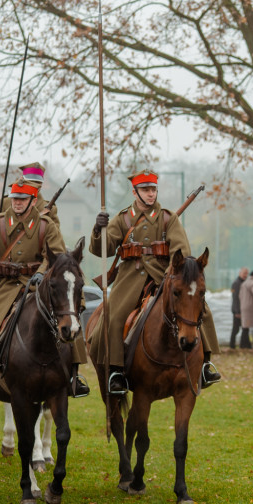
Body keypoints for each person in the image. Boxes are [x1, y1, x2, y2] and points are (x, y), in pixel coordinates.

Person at [88, 169, 221, 395]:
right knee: (114, 316)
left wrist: (172, 277)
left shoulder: (168, 218)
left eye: (153, 189)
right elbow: (102, 250)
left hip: (164, 275)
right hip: (130, 278)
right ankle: (115, 371)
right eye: (145, 190)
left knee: (201, 310)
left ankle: (205, 364)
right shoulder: (123, 219)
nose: (151, 194)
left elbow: (181, 250)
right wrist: (98, 229)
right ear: (135, 192)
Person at [0, 179, 88, 398]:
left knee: (67, 314)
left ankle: (74, 375)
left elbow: (57, 257)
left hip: (37, 285)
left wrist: (42, 272)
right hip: (4, 285)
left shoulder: (47, 226)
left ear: (33, 200)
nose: (17, 203)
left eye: (22, 199)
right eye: (15, 198)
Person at [0, 161, 60, 228]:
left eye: (37, 182)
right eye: (30, 181)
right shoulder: (5, 203)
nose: (34, 185)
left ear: (41, 184)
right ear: (22, 180)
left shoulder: (49, 209)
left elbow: (55, 234)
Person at [229, 266, 248, 349]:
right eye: (244, 273)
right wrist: (237, 311)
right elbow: (235, 298)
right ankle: (232, 345)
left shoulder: (244, 282)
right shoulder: (236, 283)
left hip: (243, 310)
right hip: (238, 310)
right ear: (240, 273)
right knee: (236, 329)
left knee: (245, 328)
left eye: (247, 273)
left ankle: (244, 345)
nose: (245, 275)